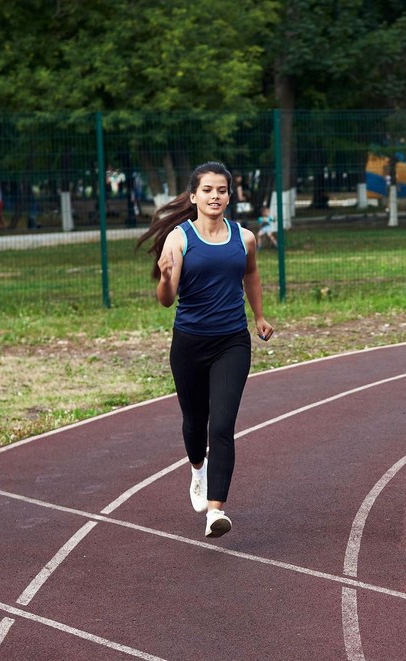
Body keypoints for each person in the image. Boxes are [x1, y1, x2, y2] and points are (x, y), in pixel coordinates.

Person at [136, 161, 274, 539]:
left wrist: (259, 316)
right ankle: (197, 469)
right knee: (195, 423)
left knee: (223, 425)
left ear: (230, 196)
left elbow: (251, 274)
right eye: (208, 190)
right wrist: (165, 278)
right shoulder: (179, 239)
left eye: (222, 190)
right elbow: (166, 300)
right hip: (189, 344)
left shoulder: (244, 238)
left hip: (232, 341)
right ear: (193, 195)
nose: (215, 196)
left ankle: (216, 511)